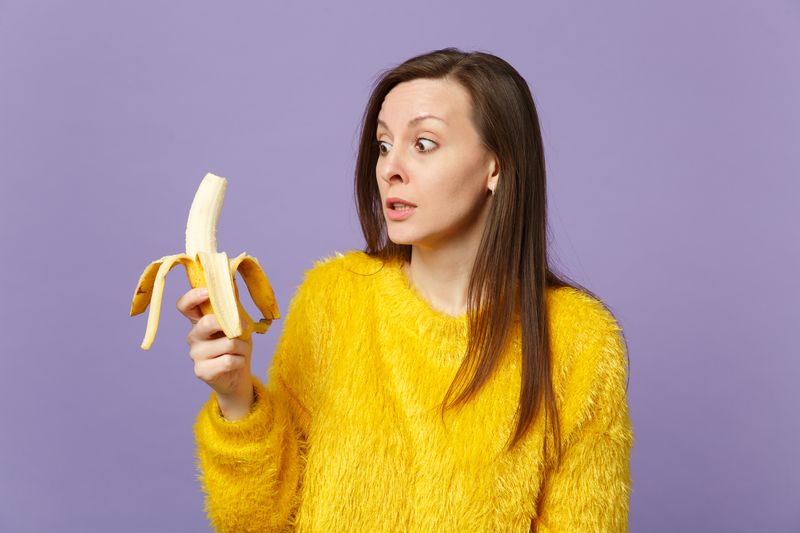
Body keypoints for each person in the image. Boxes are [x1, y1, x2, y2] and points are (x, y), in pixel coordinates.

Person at [179, 47, 634, 532]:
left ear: (495, 167)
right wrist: (235, 396)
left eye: (424, 144)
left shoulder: (580, 340)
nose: (390, 168)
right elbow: (260, 521)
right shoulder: (334, 297)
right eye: (383, 145)